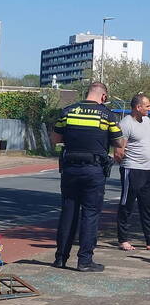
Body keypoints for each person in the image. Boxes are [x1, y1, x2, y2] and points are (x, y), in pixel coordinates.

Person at [51, 81, 123, 272]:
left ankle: (60, 258)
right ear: (104, 97)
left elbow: (55, 140)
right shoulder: (107, 115)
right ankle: (84, 260)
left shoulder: (68, 111)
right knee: (90, 214)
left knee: (68, 212)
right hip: (94, 170)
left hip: (70, 169)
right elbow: (119, 144)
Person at [116, 93, 150, 251]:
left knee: (147, 205)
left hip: (147, 169)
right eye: (147, 106)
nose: (149, 109)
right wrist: (121, 158)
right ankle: (123, 239)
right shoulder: (126, 123)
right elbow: (119, 150)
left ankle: (149, 240)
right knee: (127, 204)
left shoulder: (148, 121)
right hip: (132, 168)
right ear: (138, 107)